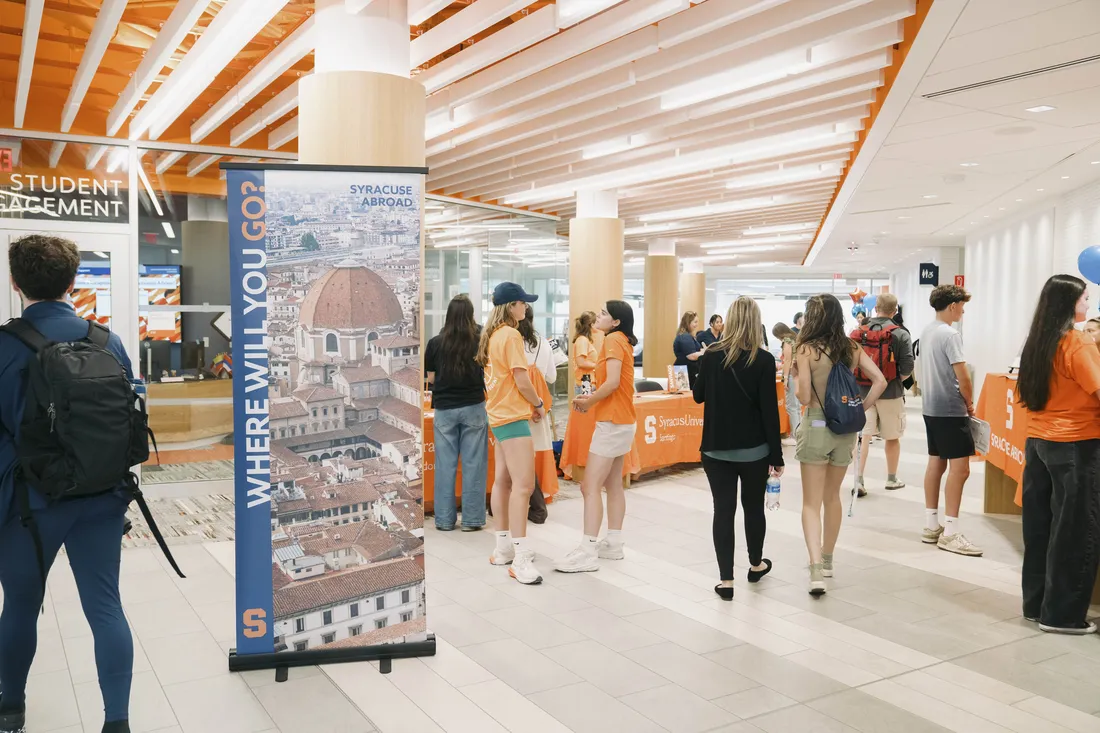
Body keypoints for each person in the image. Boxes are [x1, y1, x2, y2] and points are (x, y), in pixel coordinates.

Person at [0, 235, 135, 733]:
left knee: (20, 607)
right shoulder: (107, 342)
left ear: (16, 284)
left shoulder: (4, 345)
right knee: (106, 607)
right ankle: (116, 721)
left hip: (28, 505)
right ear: (72, 281)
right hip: (102, 497)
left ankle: (10, 711)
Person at [1016, 275, 1100, 635]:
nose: (1088, 305)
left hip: (1038, 443)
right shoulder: (1077, 343)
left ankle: (1036, 605)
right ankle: (1062, 615)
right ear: (1070, 303)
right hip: (1075, 445)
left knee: (1041, 529)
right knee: (1075, 530)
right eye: (1084, 299)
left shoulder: (1038, 341)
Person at [794, 294, 886, 595]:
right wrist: (860, 407)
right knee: (832, 496)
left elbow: (805, 398)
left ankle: (815, 568)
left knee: (810, 502)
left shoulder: (805, 350)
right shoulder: (851, 347)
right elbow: (880, 381)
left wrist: (795, 376)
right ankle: (830, 559)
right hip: (845, 430)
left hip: (817, 426)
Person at [694, 297, 783, 600]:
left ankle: (726, 580)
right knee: (753, 508)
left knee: (723, 510)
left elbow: (698, 396)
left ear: (728, 320)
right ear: (756, 321)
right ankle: (756, 564)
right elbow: (770, 411)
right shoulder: (764, 359)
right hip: (754, 450)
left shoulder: (711, 355)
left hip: (716, 450)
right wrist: (777, 455)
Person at [555, 301, 638, 573]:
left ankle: (588, 550)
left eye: (604, 313)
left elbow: (612, 382)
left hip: (612, 422)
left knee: (589, 486)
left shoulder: (613, 339)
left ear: (615, 322)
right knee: (613, 483)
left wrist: (589, 402)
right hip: (622, 420)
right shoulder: (620, 339)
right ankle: (613, 542)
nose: (598, 316)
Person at [478, 282, 547, 584]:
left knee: (503, 481)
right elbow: (521, 379)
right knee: (524, 485)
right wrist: (538, 403)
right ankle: (519, 558)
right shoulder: (512, 335)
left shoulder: (493, 336)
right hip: (512, 418)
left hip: (497, 415)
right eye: (522, 303)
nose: (526, 308)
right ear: (511, 306)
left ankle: (503, 547)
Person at [920, 284, 982, 557]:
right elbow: (963, 376)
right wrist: (969, 403)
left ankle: (931, 524)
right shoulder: (950, 334)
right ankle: (951, 531)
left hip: (930, 408)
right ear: (953, 305)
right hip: (950, 409)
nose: (964, 310)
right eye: (962, 305)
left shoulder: (928, 331)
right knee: (961, 469)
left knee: (936, 462)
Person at [424, 294, 487, 532]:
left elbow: (431, 378)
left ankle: (444, 520)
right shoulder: (480, 340)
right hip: (474, 406)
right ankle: (471, 520)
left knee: (445, 466)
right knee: (473, 464)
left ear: (447, 316)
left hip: (444, 409)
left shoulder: (435, 343)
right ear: (471, 315)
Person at [854, 294, 914, 497]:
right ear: (895, 311)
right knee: (892, 437)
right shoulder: (900, 334)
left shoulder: (858, 332)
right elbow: (907, 368)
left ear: (876, 308)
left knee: (863, 436)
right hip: (891, 392)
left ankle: (859, 480)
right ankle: (891, 478)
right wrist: (893, 378)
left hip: (863, 392)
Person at [518, 305, 556, 518]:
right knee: (531, 454)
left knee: (516, 455)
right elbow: (551, 377)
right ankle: (538, 501)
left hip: (516, 405)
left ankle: (535, 504)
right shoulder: (543, 343)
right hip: (538, 405)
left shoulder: (511, 342)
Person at [773, 322, 800, 445]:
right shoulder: (795, 339)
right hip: (798, 374)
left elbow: (788, 360)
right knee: (797, 407)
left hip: (791, 375)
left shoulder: (787, 341)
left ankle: (795, 435)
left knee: (791, 407)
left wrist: (784, 377)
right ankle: (798, 434)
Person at [673, 311, 705, 386]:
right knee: (684, 395)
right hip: (684, 372)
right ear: (688, 322)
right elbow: (691, 356)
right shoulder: (685, 337)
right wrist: (704, 352)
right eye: (695, 322)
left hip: (687, 371)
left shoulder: (688, 336)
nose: (697, 325)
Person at [572, 311, 598, 396]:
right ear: (592, 324)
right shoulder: (582, 340)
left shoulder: (585, 340)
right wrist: (599, 365)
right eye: (597, 322)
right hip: (585, 382)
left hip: (588, 381)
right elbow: (581, 363)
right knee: (584, 409)